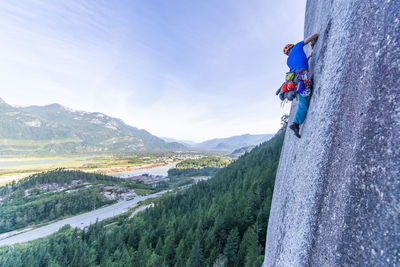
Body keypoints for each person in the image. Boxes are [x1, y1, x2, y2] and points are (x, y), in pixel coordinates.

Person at [283, 33, 318, 138]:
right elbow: (315, 35)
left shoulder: (288, 61)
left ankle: (296, 124)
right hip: (303, 76)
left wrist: (309, 56)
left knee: (302, 100)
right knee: (304, 101)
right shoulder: (298, 46)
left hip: (296, 79)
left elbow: (298, 66)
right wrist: (312, 42)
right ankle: (296, 123)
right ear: (292, 46)